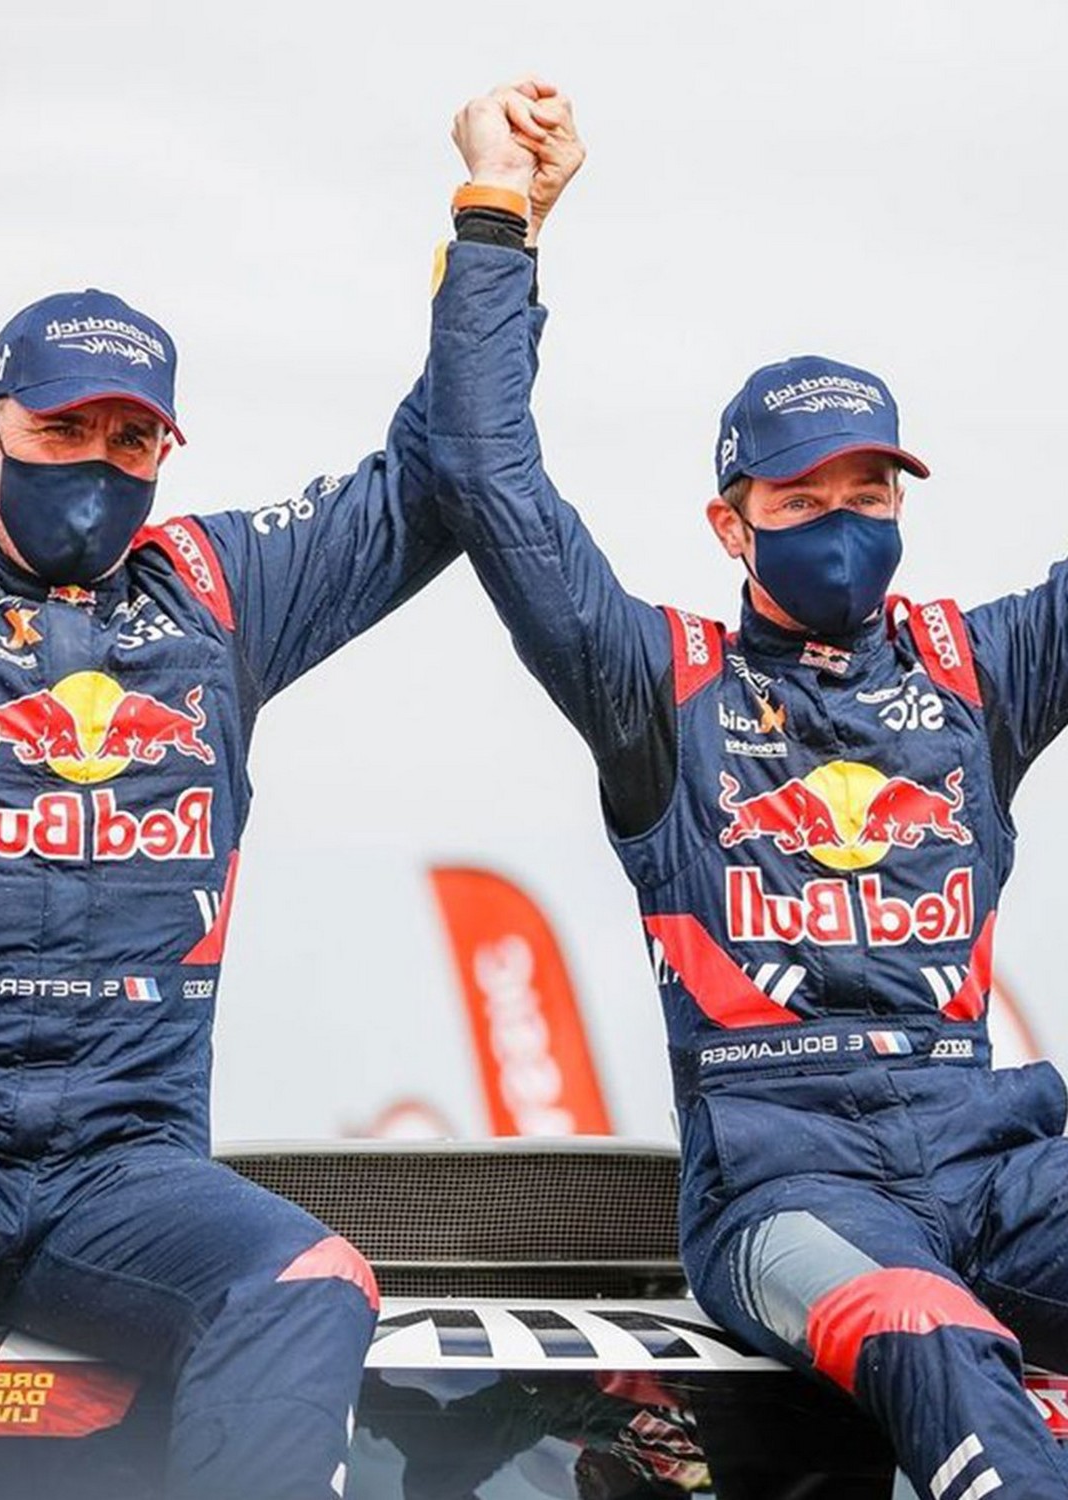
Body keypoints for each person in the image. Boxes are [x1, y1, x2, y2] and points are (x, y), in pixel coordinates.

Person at [0, 122, 576, 1498]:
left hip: (126, 1168)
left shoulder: (215, 594)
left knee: (314, 1280)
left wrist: (498, 223)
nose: (100, 459)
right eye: (63, 426)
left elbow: (430, 480)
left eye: (133, 437)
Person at [430, 82, 1068, 1498]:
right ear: (731, 520)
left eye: (872, 493)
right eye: (804, 498)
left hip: (999, 1157)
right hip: (786, 1198)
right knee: (931, 1338)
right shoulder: (658, 682)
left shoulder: (986, 669)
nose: (845, 524)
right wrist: (499, 219)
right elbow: (487, 480)